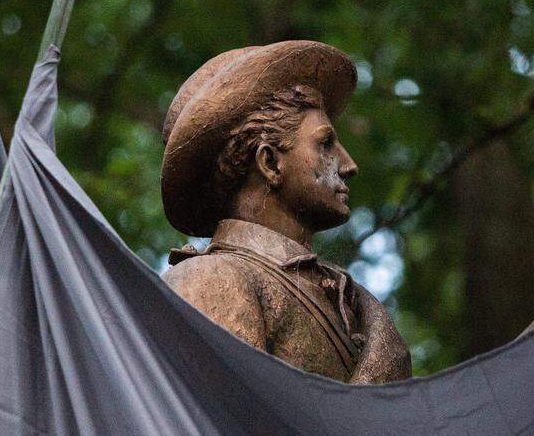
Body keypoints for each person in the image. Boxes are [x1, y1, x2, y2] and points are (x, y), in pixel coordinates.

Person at [160, 40, 411, 383]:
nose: (348, 165)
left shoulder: (350, 303)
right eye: (325, 143)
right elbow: (228, 428)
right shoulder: (212, 280)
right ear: (270, 163)